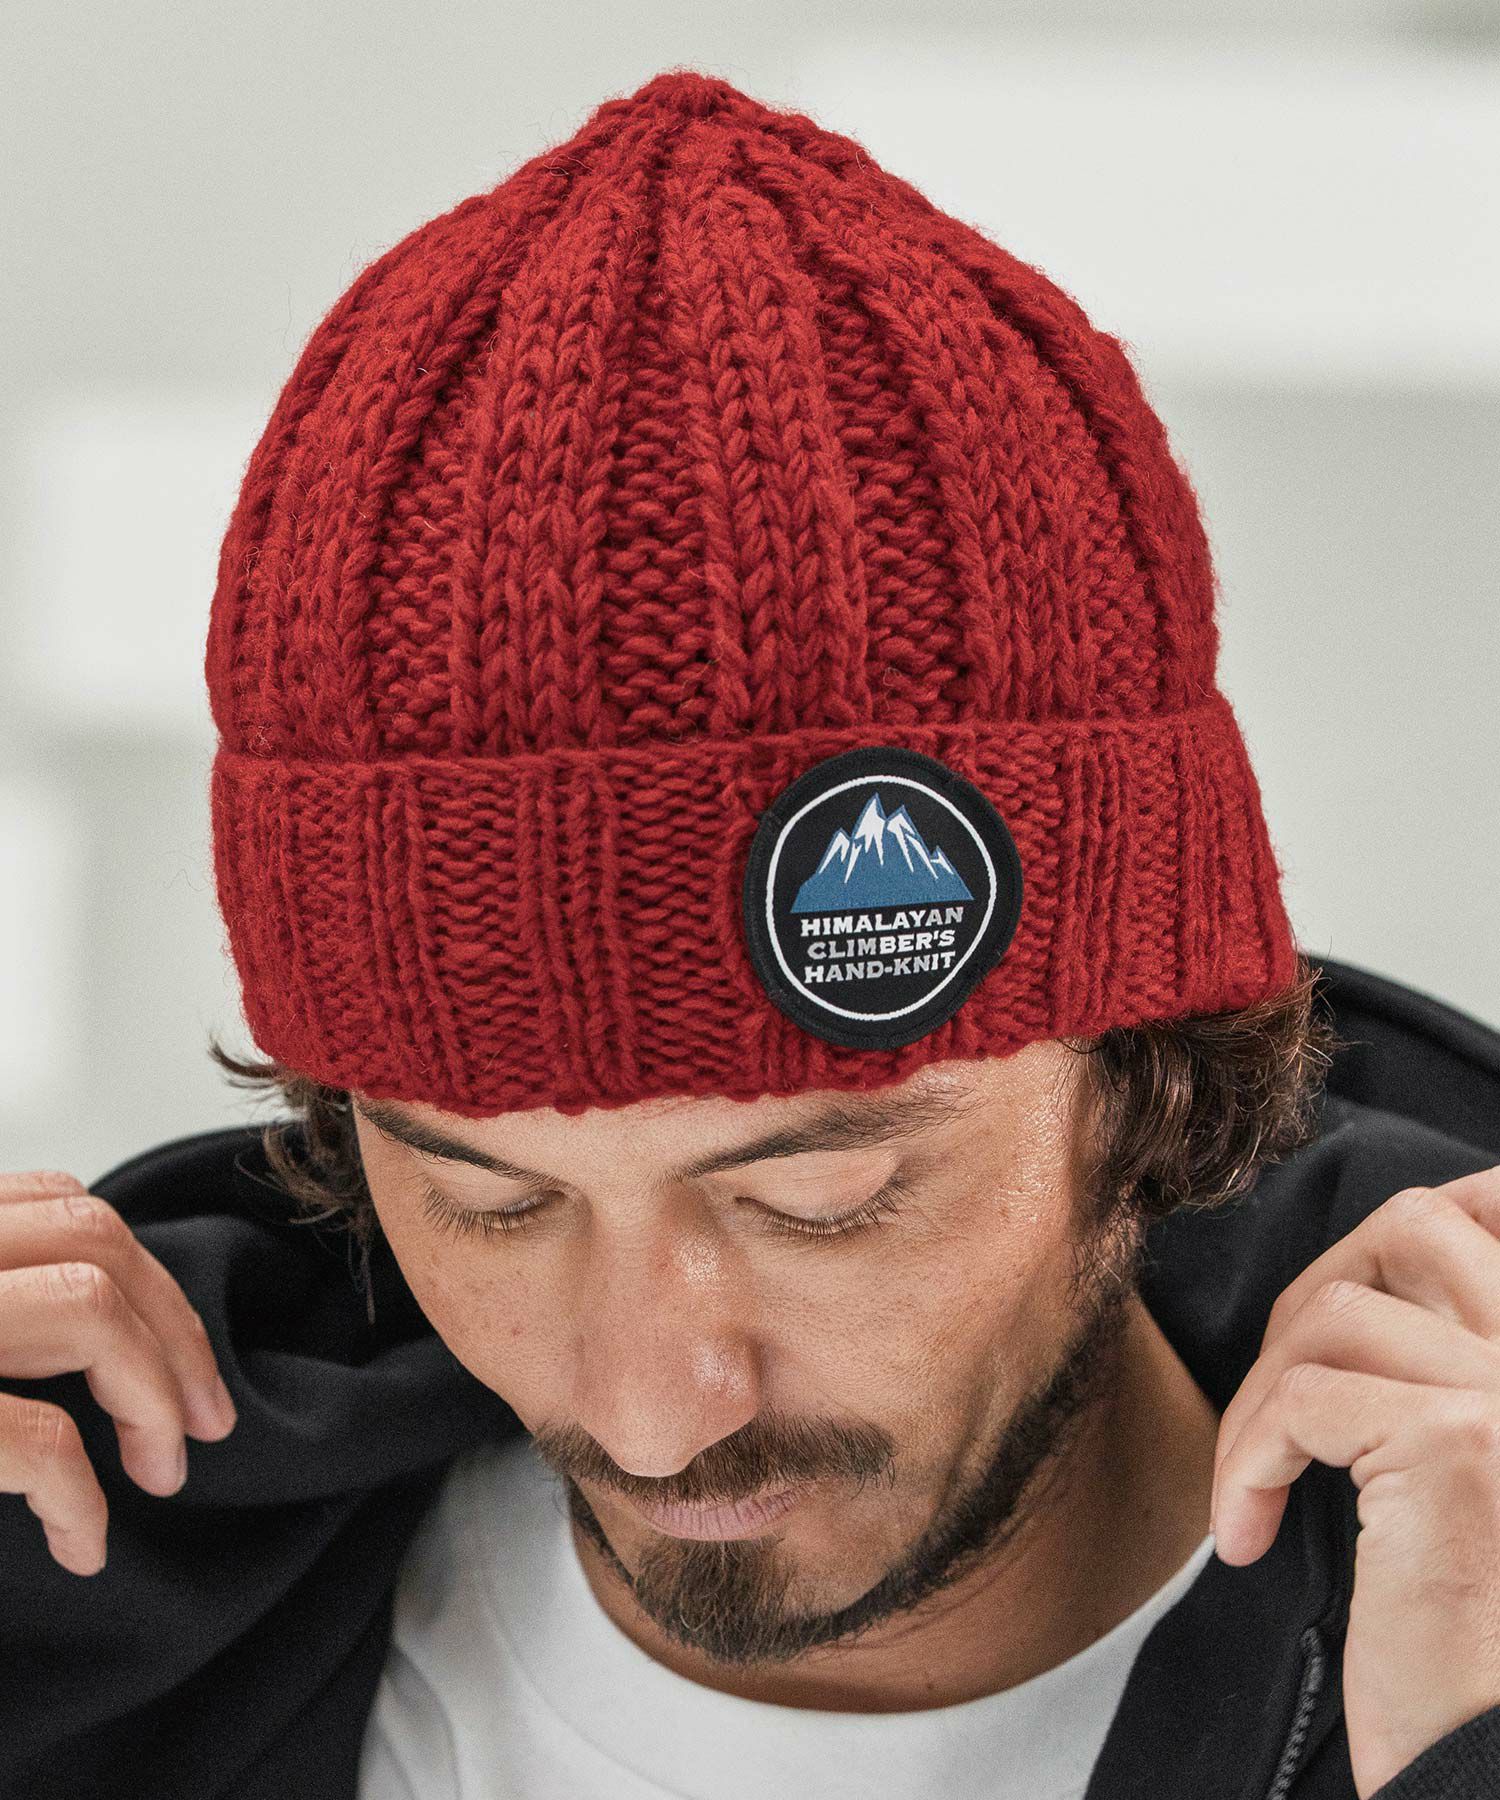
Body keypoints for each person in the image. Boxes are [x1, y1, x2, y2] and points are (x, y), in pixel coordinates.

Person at [1, 67, 1498, 1800]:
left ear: (1156, 1077)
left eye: (822, 1201)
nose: (652, 1411)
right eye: (492, 1203)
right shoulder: (81, 1638)